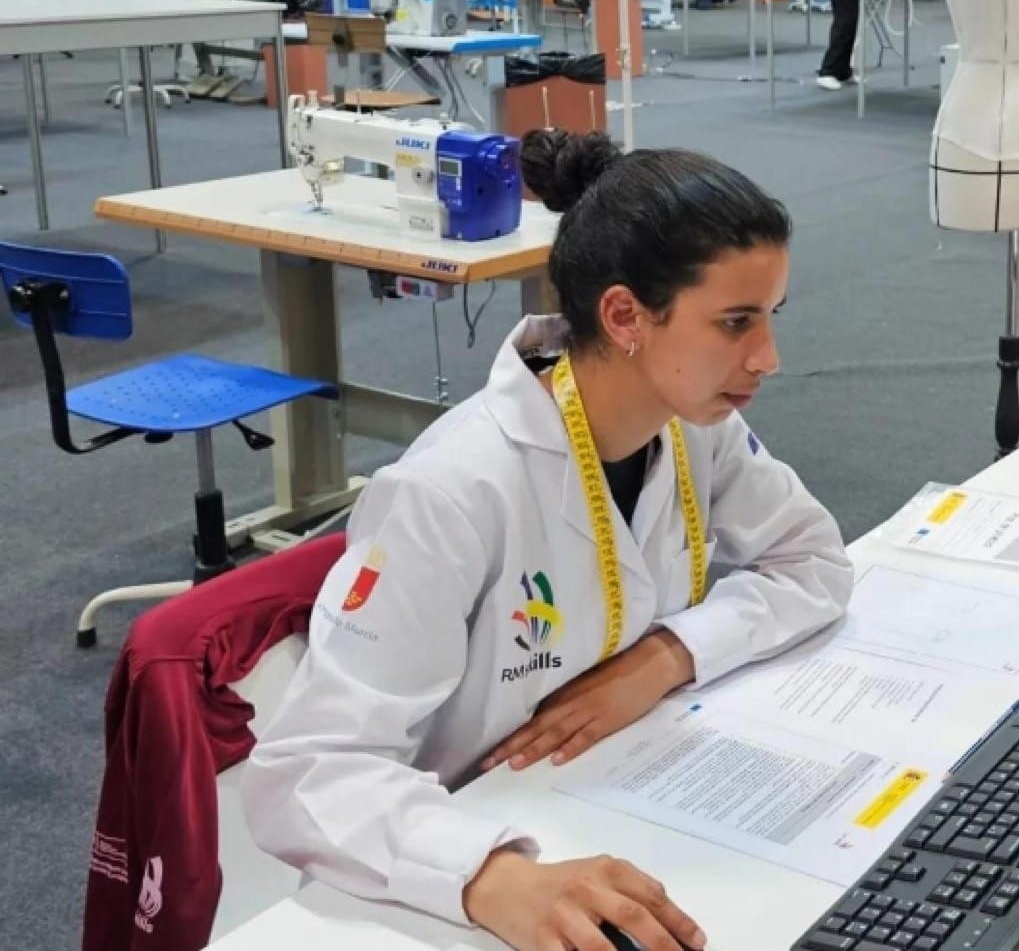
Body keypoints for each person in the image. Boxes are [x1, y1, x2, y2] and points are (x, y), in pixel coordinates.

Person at [242, 131, 852, 951]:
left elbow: (813, 561)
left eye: (770, 318)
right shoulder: (453, 488)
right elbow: (303, 774)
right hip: (453, 855)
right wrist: (490, 873)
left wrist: (667, 656)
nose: (767, 357)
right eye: (736, 322)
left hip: (616, 789)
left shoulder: (691, 426)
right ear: (626, 315)